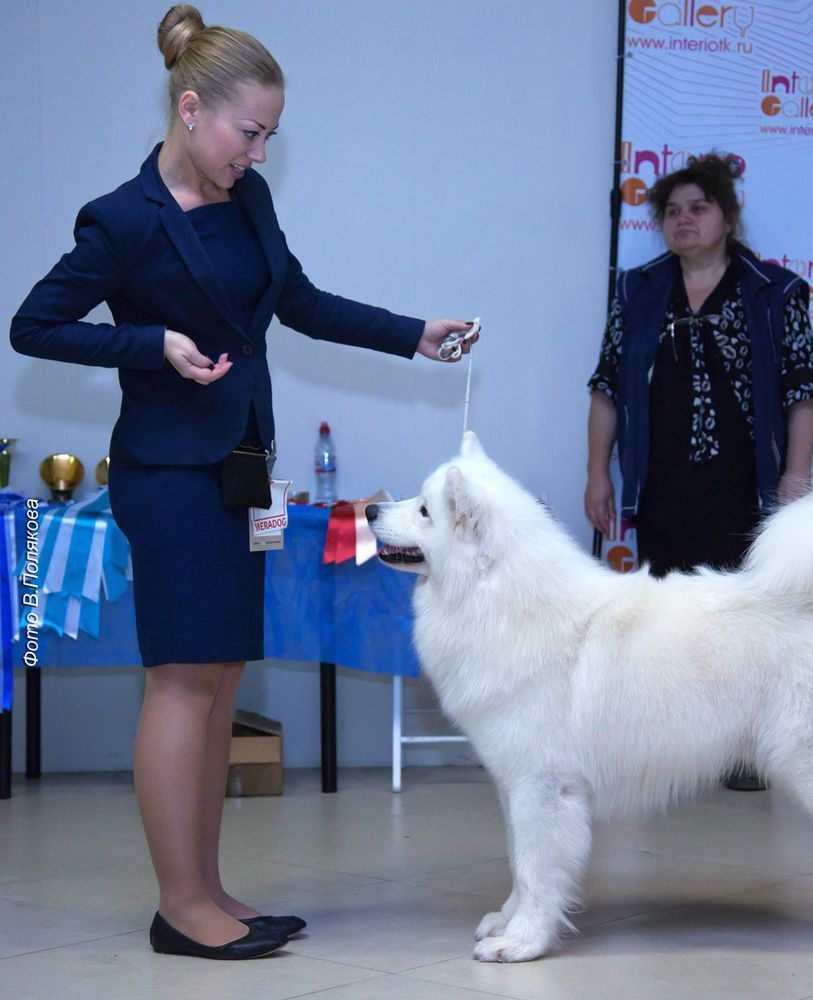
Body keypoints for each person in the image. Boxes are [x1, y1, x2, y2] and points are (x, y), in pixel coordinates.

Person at [10, 4, 477, 960]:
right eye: (247, 131)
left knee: (221, 679)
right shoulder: (123, 220)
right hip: (169, 475)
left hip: (239, 472)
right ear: (190, 110)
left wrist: (411, 333)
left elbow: (294, 301)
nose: (258, 153)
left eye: (270, 136)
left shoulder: (250, 202)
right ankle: (181, 909)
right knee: (181, 683)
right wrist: (152, 344)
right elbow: (34, 325)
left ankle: (207, 891)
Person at [584, 154, 813, 788]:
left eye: (698, 208)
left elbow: (803, 390)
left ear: (727, 217)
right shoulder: (637, 291)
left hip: (743, 485)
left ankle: (746, 751)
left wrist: (796, 478)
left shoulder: (775, 291)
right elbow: (607, 386)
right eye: (672, 212)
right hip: (659, 483)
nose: (683, 221)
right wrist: (597, 474)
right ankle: (671, 750)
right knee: (663, 622)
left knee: (743, 622)